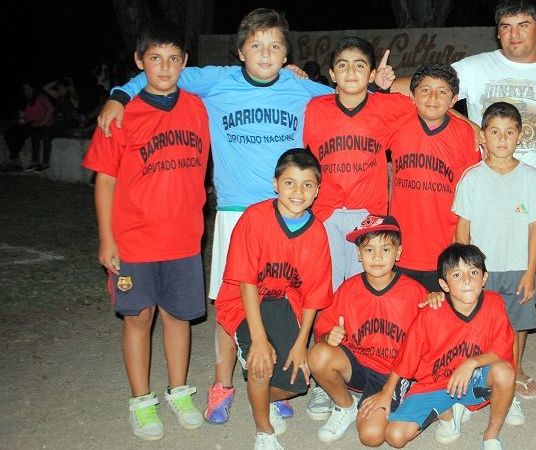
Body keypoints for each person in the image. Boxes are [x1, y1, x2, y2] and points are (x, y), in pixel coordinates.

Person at [97, 8, 337, 424]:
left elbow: (349, 96)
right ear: (240, 51)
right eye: (257, 45)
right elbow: (157, 71)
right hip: (233, 213)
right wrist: (119, 94)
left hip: (287, 213)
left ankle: (276, 381)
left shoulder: (302, 88)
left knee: (283, 299)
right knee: (231, 305)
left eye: (275, 46)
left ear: (287, 54)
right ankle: (222, 384)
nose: (266, 54)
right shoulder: (214, 80)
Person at [444, 0, 536, 399]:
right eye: (506, 26)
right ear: (497, 31)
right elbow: (428, 89)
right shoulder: (476, 67)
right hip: (484, 201)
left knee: (524, 288)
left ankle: (512, 365)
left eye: (523, 25)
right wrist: (466, 122)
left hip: (532, 203)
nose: (514, 33)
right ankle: (471, 361)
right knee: (476, 285)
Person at [81, 20, 210, 441]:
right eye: (155, 58)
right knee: (139, 317)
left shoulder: (197, 107)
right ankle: (141, 400)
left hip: (184, 238)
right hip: (135, 238)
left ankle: (179, 391)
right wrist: (107, 237)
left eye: (174, 59)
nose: (165, 67)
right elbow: (105, 179)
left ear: (185, 63)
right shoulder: (121, 114)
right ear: (140, 63)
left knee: (178, 318)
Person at [213, 148, 333, 450]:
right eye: (289, 182)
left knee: (298, 381)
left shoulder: (317, 232)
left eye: (307, 184)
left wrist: (300, 345)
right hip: (243, 302)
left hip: (283, 301)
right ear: (275, 184)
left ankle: (262, 398)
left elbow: (313, 296)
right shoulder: (255, 218)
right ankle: (263, 433)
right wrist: (259, 340)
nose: (298, 191)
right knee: (261, 363)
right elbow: (246, 282)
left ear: (317, 190)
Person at [452, 101, 536, 425]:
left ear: (519, 136)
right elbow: (462, 227)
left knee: (514, 328)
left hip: (517, 269)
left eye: (509, 132)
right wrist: (463, 274)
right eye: (494, 132)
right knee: (475, 328)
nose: (502, 139)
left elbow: (535, 226)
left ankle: (507, 390)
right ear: (483, 136)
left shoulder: (530, 177)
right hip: (481, 272)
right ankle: (471, 391)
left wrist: (531, 272)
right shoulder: (472, 178)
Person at [360, 243, 515, 450]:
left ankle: (491, 435)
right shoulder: (431, 312)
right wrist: (387, 392)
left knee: (505, 372)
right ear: (444, 284)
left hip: (473, 376)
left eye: (474, 272)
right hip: (436, 382)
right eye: (457, 275)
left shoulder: (494, 303)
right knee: (395, 437)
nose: (467, 280)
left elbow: (503, 348)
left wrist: (472, 362)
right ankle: (448, 412)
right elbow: (408, 356)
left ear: (484, 278)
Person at [307, 214, 427, 444]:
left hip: (394, 373)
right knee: (318, 354)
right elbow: (323, 331)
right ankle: (345, 406)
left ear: (398, 253)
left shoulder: (414, 292)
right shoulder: (348, 288)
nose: (377, 257)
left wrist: (388, 390)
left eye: (385, 249)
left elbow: (427, 344)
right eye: (369, 250)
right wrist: (327, 337)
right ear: (358, 255)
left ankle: (426, 404)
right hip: (359, 367)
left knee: (371, 437)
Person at [304, 37, 411, 291]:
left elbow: (429, 98)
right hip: (325, 212)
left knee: (361, 287)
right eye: (342, 65)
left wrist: (472, 127)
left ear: (372, 73)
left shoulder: (387, 107)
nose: (351, 72)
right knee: (324, 288)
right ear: (331, 73)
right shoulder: (314, 109)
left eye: (360, 65)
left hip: (367, 213)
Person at [387, 63, 481, 292]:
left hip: (443, 246)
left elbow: (471, 196)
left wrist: (462, 245)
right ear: (412, 95)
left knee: (440, 318)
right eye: (425, 90)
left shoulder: (466, 134)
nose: (432, 97)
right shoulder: (397, 123)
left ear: (454, 100)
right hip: (400, 246)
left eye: (442, 91)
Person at [1, 83, 53, 172]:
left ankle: (14, 160)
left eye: (29, 89)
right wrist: (23, 116)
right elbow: (28, 115)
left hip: (36, 124)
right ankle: (15, 159)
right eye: (25, 90)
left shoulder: (41, 97)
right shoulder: (29, 101)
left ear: (34, 89)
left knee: (19, 134)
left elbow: (51, 109)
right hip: (28, 123)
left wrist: (42, 123)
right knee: (9, 132)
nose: (27, 92)